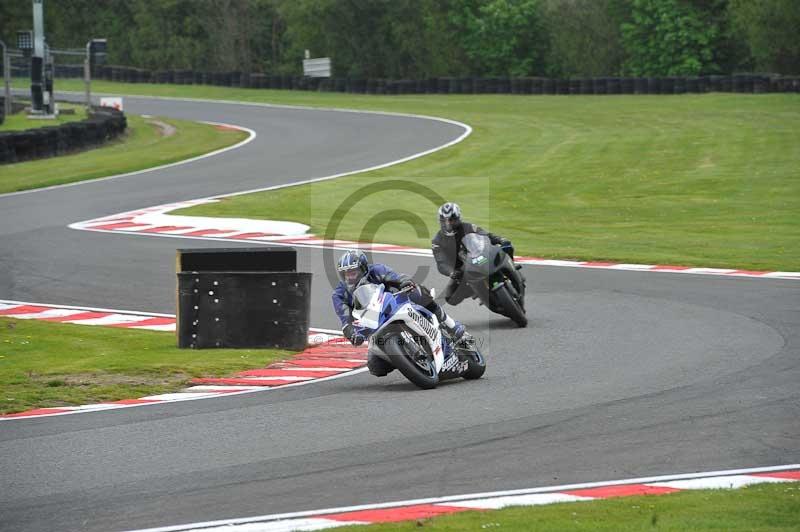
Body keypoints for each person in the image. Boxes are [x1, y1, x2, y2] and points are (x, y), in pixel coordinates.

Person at [332, 249, 469, 361]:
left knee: (418, 292)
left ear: (363, 269)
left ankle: (451, 325)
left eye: (353, 272)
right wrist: (352, 334)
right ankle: (406, 361)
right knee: (375, 366)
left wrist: (404, 282)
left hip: (395, 305)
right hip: (373, 325)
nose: (349, 277)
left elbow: (396, 277)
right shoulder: (339, 294)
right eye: (346, 274)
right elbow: (345, 320)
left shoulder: (376, 270)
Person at [432, 202, 519, 306]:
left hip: (481, 256)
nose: (448, 224)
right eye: (444, 221)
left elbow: (486, 235)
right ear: (440, 221)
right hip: (461, 270)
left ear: (459, 218)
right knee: (450, 298)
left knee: (507, 246)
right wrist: (451, 272)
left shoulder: (469, 227)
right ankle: (476, 290)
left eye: (452, 220)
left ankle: (511, 268)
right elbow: (441, 263)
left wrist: (500, 240)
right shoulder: (437, 241)